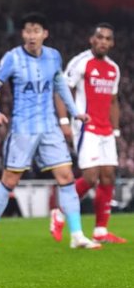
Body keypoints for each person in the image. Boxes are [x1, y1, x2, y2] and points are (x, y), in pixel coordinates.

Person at [0, 12, 100, 250]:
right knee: (10, 180)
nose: (31, 35)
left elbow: (60, 86)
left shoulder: (53, 57)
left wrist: (75, 111)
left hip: (50, 127)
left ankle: (77, 235)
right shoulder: (12, 57)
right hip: (23, 128)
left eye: (36, 30)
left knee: (66, 177)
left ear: (45, 33)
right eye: (27, 30)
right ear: (23, 33)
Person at [51, 23, 125, 244]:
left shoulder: (114, 68)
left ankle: (101, 230)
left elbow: (113, 101)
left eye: (107, 38)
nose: (103, 41)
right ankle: (59, 212)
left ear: (112, 43)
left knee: (109, 175)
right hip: (85, 127)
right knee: (91, 177)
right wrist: (64, 121)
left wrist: (117, 130)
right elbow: (61, 90)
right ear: (91, 39)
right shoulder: (81, 62)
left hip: (106, 130)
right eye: (99, 37)